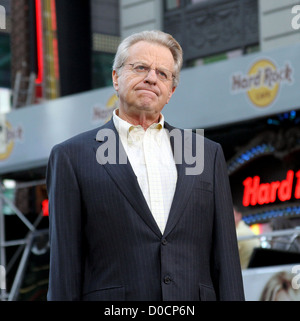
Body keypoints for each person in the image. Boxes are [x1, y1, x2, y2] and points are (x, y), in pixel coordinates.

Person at [46, 30, 245, 301]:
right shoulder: (71, 157)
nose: (151, 78)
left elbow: (227, 262)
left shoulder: (204, 153)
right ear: (116, 78)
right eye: (140, 67)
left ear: (171, 91)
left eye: (162, 74)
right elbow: (64, 268)